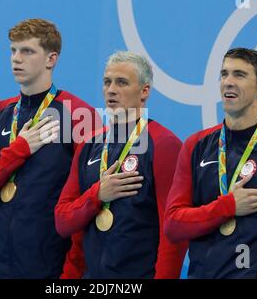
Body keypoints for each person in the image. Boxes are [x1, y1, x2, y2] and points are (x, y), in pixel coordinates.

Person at [164, 47, 257, 279]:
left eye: (239, 75)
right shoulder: (195, 146)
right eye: (224, 74)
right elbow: (174, 226)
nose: (228, 82)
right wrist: (228, 206)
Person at [0, 18, 100, 278]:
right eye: (13, 50)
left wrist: (71, 273)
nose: (16, 59)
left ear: (51, 59)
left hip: (48, 267)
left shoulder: (79, 115)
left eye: (27, 51)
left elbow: (87, 203)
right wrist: (20, 149)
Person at [54, 51, 188, 278]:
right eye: (107, 82)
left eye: (122, 82)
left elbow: (172, 234)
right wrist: (97, 195)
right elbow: (63, 221)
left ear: (144, 91)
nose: (111, 90)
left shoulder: (164, 144)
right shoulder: (89, 144)